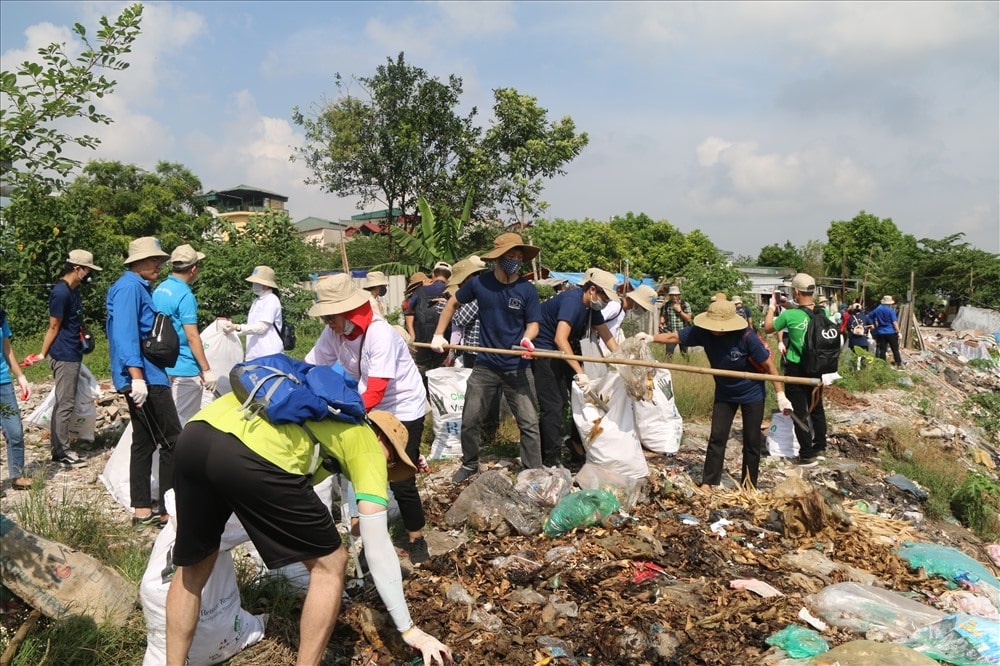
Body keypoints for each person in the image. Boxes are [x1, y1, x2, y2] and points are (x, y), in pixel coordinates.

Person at [164, 397, 452, 665]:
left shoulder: (326, 417)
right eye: (391, 461)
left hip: (197, 433)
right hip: (251, 454)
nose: (387, 468)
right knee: (331, 564)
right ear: (382, 439)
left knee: (194, 567)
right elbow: (377, 546)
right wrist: (409, 629)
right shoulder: (367, 442)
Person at [304, 274, 431, 565]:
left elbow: (377, 388)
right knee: (365, 473)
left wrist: (348, 415)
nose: (327, 323)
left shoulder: (379, 334)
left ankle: (416, 536)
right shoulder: (334, 332)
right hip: (369, 405)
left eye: (330, 317)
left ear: (348, 312)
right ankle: (373, 542)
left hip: (403, 407)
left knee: (400, 476)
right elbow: (311, 365)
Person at [431, 233, 543, 483]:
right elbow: (452, 304)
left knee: (529, 422)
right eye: (510, 256)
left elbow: (534, 322)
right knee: (470, 419)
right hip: (486, 366)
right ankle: (470, 464)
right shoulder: (480, 284)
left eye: (518, 256)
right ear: (498, 258)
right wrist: (439, 334)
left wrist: (527, 338)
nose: (515, 260)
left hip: (517, 366)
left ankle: (533, 470)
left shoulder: (526, 289)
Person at [647, 298, 790, 490]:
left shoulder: (746, 337)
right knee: (717, 437)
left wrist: (781, 395)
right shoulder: (703, 333)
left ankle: (749, 485)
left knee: (751, 441)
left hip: (752, 393)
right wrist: (650, 338)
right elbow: (675, 337)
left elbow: (770, 367)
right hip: (724, 393)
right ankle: (709, 481)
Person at [106, 237, 183, 526]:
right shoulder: (129, 288)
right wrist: (137, 377)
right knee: (173, 440)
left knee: (145, 440)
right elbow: (124, 334)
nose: (159, 266)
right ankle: (168, 508)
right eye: (154, 260)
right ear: (137, 262)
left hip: (146, 375)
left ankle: (142, 507)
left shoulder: (136, 286)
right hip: (146, 377)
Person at [533, 268, 620, 467]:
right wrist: (580, 372)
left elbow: (607, 337)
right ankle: (549, 457)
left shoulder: (592, 308)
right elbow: (559, 338)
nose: (605, 302)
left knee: (581, 400)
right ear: (592, 290)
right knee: (555, 404)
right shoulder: (572, 301)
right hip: (546, 351)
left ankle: (576, 445)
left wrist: (624, 360)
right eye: (604, 296)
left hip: (566, 350)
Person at [28, 249, 102, 467]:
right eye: (88, 270)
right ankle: (61, 451)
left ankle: (59, 448)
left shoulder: (74, 289)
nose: (90, 274)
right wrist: (42, 353)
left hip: (73, 351)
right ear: (77, 268)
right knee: (65, 403)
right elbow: (54, 326)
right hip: (64, 355)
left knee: (66, 401)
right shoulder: (61, 293)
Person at [764, 273, 827, 467]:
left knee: (799, 411)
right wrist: (788, 304)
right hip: (818, 368)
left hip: (796, 369)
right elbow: (803, 313)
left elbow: (767, 328)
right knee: (816, 408)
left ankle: (806, 454)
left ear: (796, 292)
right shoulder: (821, 313)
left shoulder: (790, 316)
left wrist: (773, 307)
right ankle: (820, 446)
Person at [153, 244, 216, 425]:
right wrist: (206, 369)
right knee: (183, 421)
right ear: (193, 269)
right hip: (184, 367)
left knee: (166, 417)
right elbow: (192, 336)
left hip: (162, 363)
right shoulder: (185, 295)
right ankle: (181, 453)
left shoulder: (160, 288)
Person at [222, 266, 283, 361]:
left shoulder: (271, 300)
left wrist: (237, 327)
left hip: (268, 354)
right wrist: (231, 331)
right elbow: (251, 327)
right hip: (254, 353)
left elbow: (261, 327)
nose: (254, 285)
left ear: (266, 285)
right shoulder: (257, 301)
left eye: (257, 283)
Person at [1, 307, 33, 490]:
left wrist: (20, 376)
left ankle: (17, 475)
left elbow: (6, 348)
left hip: (3, 382)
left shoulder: (0, 316)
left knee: (14, 430)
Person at [406, 261, 452, 380]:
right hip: (444, 341)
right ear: (449, 277)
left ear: (433, 275)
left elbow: (409, 313)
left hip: (421, 340)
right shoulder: (451, 292)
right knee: (441, 373)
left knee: (422, 371)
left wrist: (412, 335)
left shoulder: (419, 291)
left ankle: (424, 396)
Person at [597, 284, 659, 355]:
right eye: (643, 308)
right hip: (599, 349)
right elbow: (595, 323)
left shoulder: (623, 311)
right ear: (637, 301)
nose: (643, 311)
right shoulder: (615, 306)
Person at [658, 285, 692, 359]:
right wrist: (662, 320)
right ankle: (667, 368)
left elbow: (689, 319)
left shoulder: (685, 305)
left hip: (683, 332)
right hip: (671, 333)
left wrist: (679, 311)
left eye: (676, 295)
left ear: (678, 295)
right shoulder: (667, 305)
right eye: (672, 295)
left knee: (684, 353)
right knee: (668, 354)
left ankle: (687, 368)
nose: (674, 297)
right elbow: (665, 316)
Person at [869, 295, 903, 366]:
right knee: (895, 349)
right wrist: (899, 332)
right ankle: (898, 363)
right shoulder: (890, 311)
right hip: (891, 332)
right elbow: (894, 322)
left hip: (881, 332)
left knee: (882, 350)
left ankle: (882, 364)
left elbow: (870, 316)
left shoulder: (878, 309)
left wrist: (874, 323)